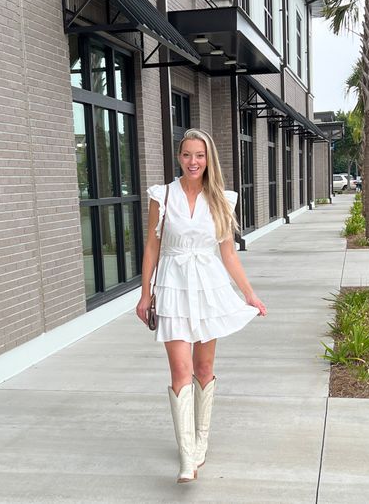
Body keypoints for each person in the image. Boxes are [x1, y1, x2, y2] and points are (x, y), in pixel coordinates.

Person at [136, 129, 267, 483]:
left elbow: (228, 254)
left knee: (203, 367)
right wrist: (145, 293)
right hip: (174, 287)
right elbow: (152, 248)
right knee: (180, 371)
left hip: (209, 288)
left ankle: (201, 439)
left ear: (208, 159)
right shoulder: (161, 196)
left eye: (199, 155)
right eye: (186, 155)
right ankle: (186, 457)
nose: (193, 162)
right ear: (179, 157)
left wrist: (249, 294)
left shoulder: (222, 199)